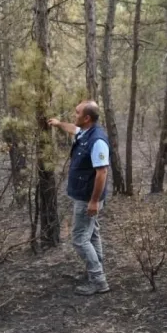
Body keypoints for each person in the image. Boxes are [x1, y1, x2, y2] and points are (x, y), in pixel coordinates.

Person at [47, 100, 111, 296]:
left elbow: (102, 173)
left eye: (77, 113)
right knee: (92, 234)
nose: (73, 115)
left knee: (79, 239)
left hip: (88, 197)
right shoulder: (85, 132)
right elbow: (73, 129)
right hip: (84, 195)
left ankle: (98, 281)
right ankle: (95, 272)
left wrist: (93, 201)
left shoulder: (97, 140)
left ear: (87, 118)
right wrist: (58, 124)